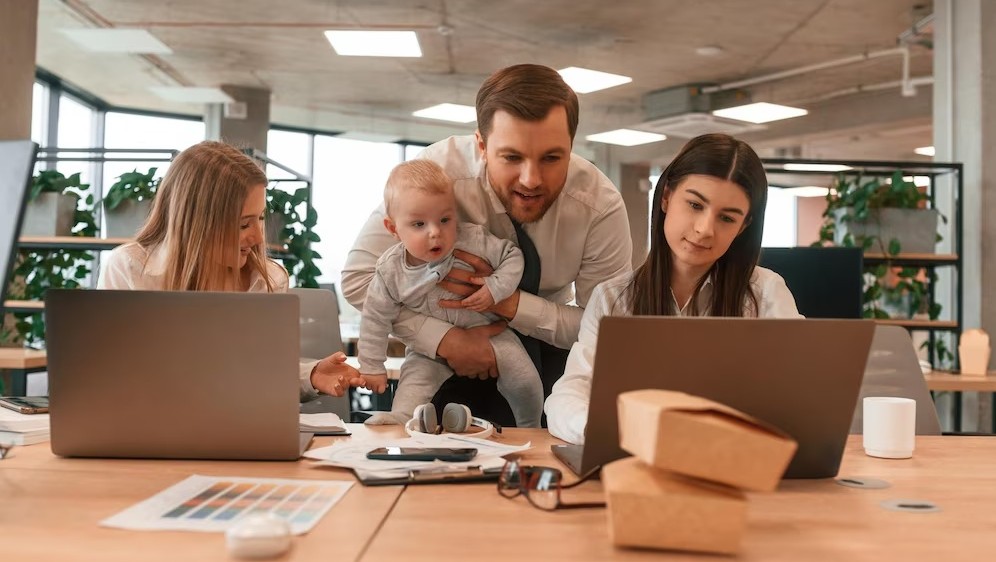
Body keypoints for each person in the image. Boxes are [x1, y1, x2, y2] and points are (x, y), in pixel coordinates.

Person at [342, 64, 633, 426]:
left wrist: (510, 304)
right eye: (512, 157)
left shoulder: (598, 205)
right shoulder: (437, 175)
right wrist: (447, 340)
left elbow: (608, 328)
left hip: (550, 355)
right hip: (442, 359)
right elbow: (360, 281)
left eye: (551, 157)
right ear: (481, 144)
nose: (531, 179)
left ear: (572, 146)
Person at [544, 133, 804, 444]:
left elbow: (797, 397)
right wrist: (609, 430)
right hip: (636, 460)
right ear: (666, 197)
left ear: (743, 226)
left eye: (726, 218)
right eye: (695, 204)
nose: (704, 229)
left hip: (731, 462)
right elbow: (568, 394)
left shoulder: (765, 294)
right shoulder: (614, 298)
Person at [98, 140, 363, 399]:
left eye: (260, 219)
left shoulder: (267, 279)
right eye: (243, 224)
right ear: (197, 222)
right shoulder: (130, 268)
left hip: (241, 433)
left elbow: (262, 374)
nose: (258, 238)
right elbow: (108, 374)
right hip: (148, 431)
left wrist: (311, 374)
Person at [357, 160, 543, 427]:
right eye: (419, 224)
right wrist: (372, 367)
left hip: (492, 333)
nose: (435, 232)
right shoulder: (390, 271)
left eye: (445, 219)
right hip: (429, 351)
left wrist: (495, 287)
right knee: (414, 380)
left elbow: (513, 257)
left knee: (525, 378)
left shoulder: (472, 239)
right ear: (393, 229)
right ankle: (401, 419)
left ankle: (532, 424)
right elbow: (374, 319)